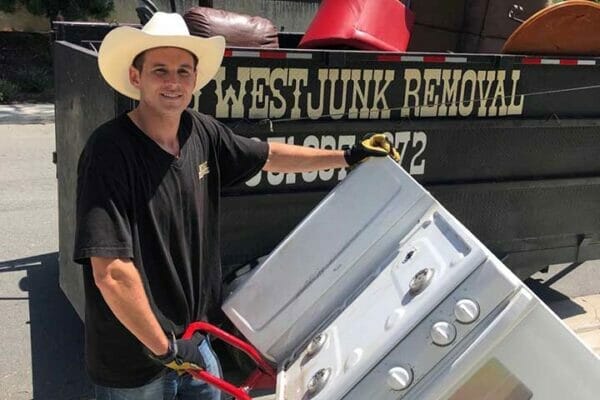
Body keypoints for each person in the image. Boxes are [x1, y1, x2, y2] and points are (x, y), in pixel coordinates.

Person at [73, 11, 399, 400]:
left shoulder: (200, 132)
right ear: (135, 77)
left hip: (196, 341)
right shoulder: (110, 152)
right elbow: (111, 272)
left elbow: (268, 156)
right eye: (160, 70)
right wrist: (165, 348)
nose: (173, 82)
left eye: (183, 71)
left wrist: (347, 156)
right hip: (137, 361)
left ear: (195, 79)